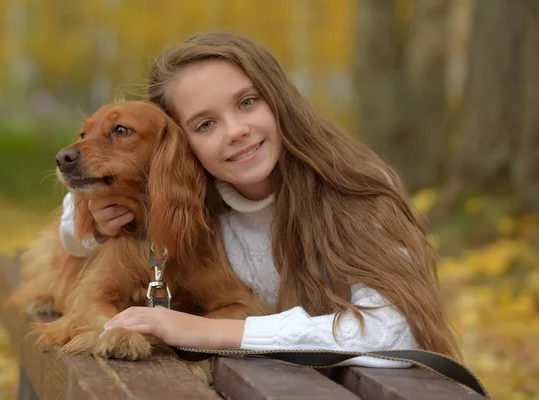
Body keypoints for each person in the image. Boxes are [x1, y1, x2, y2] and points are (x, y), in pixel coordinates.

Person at [60, 32, 461, 366]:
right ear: (180, 145)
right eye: (205, 124)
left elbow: (391, 332)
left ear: (279, 98)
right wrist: (92, 224)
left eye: (247, 102)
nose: (235, 131)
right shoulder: (198, 190)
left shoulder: (356, 188)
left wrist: (210, 330)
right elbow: (76, 213)